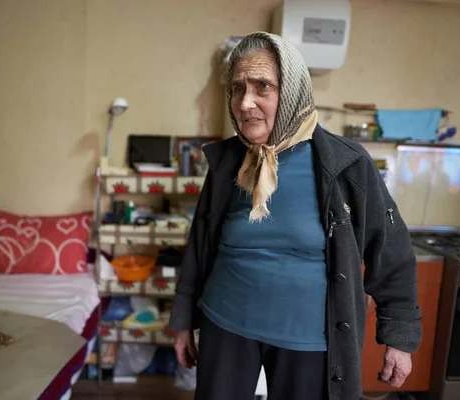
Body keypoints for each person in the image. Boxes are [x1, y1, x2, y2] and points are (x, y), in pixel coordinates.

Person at [169, 31, 422, 400]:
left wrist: (399, 337)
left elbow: (392, 253)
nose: (245, 103)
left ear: (292, 92)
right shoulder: (227, 163)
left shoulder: (346, 164)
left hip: (310, 338)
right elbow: (200, 245)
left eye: (262, 87)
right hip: (225, 325)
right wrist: (183, 322)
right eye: (237, 89)